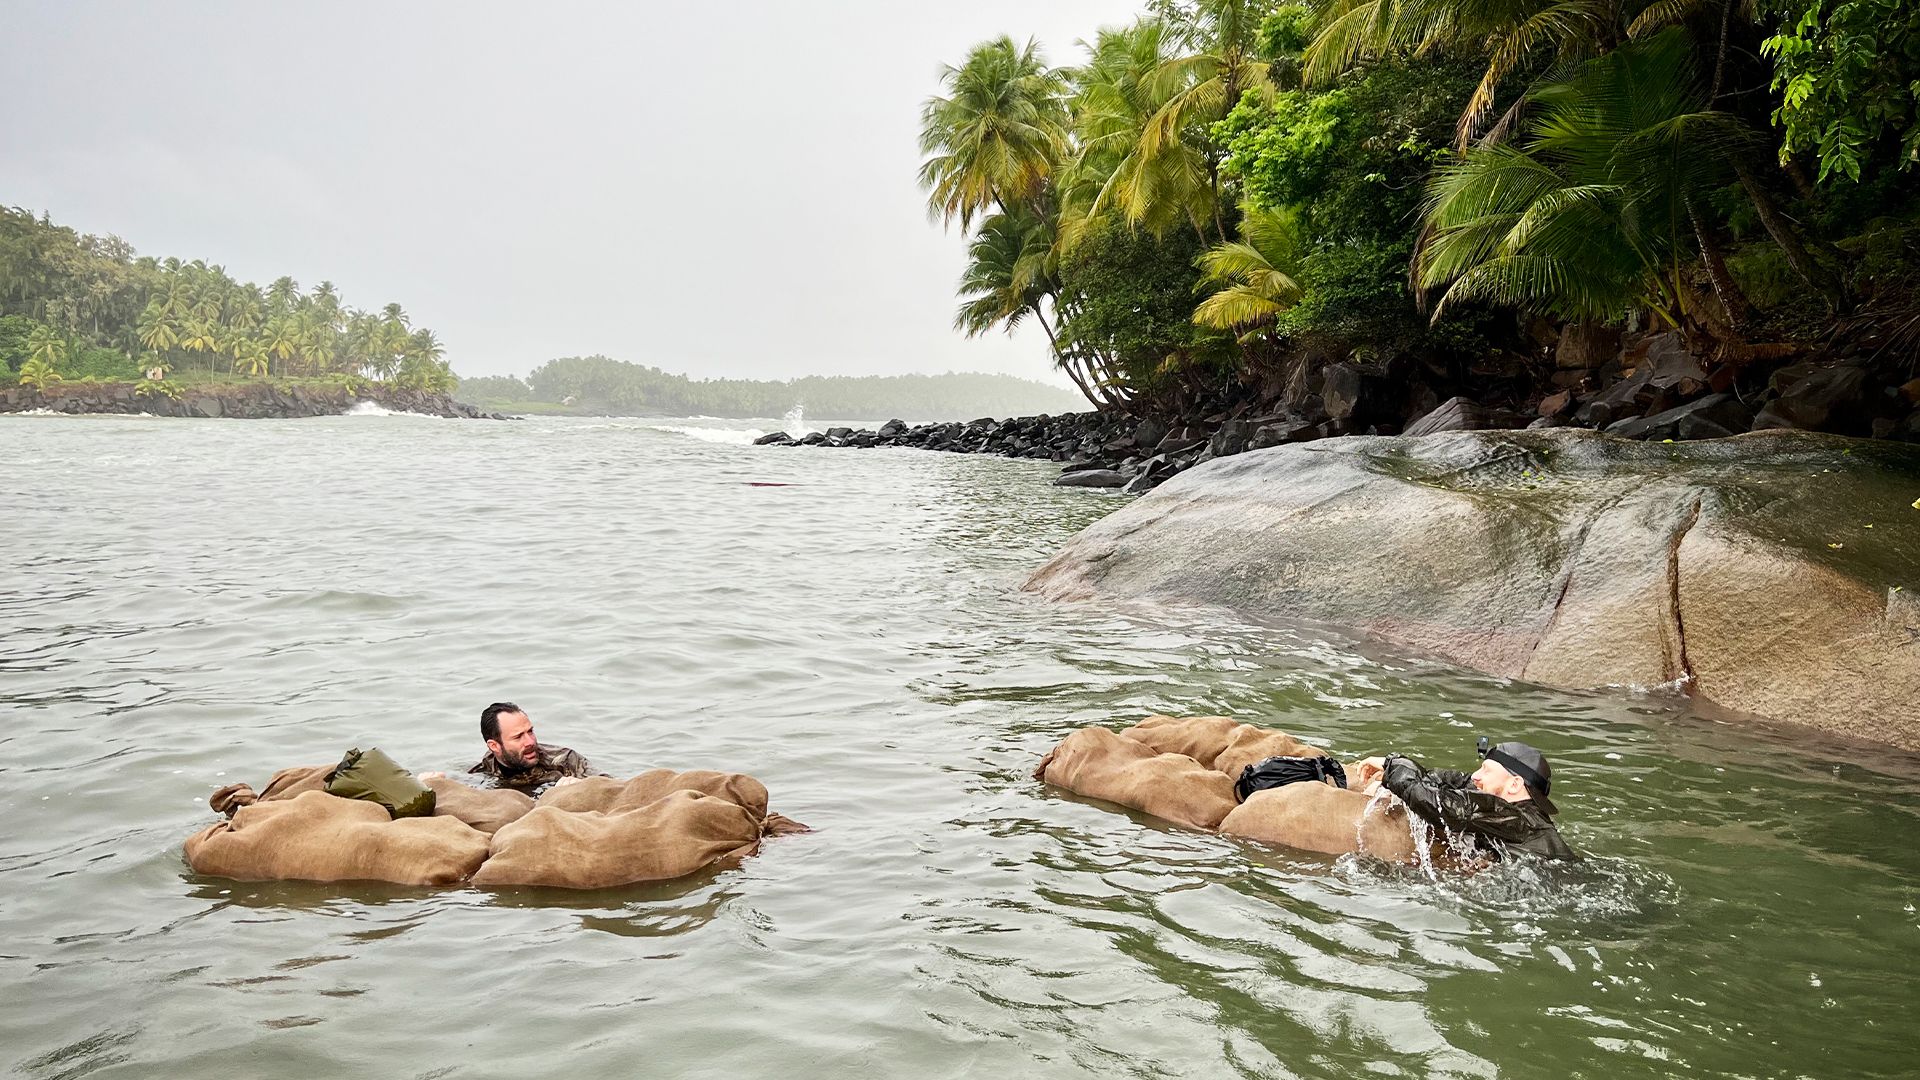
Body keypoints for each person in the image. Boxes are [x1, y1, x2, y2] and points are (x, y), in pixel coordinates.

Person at [1353, 738, 1579, 861]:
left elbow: (1438, 804)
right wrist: (1391, 766)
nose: (1476, 776)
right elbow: (1459, 782)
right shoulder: (1521, 812)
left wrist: (1394, 767)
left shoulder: (1513, 816)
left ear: (1515, 785)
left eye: (1487, 770)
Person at [421, 702, 606, 795]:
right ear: (495, 746)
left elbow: (611, 786)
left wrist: (582, 786)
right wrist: (433, 784)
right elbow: (464, 790)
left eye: (530, 731)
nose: (530, 742)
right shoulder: (483, 772)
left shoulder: (564, 760)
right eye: (518, 737)